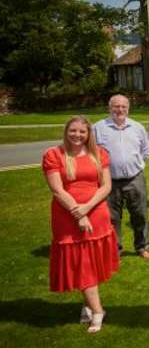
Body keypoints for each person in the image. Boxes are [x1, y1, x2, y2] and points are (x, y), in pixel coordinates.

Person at [42, 116, 120, 333]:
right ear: (66, 131)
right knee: (81, 263)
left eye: (82, 132)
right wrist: (79, 214)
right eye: (73, 131)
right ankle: (97, 311)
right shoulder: (53, 155)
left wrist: (87, 208)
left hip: (96, 213)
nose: (77, 135)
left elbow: (105, 186)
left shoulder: (99, 154)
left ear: (88, 134)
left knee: (90, 263)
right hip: (67, 216)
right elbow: (58, 190)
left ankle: (88, 305)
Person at [93, 94, 149, 259]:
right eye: (116, 106)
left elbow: (146, 149)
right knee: (112, 217)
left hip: (135, 178)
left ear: (128, 108)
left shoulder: (137, 127)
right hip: (109, 181)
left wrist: (138, 164)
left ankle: (142, 247)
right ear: (109, 108)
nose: (120, 110)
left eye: (123, 107)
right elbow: (91, 154)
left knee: (140, 214)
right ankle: (115, 249)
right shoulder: (98, 128)